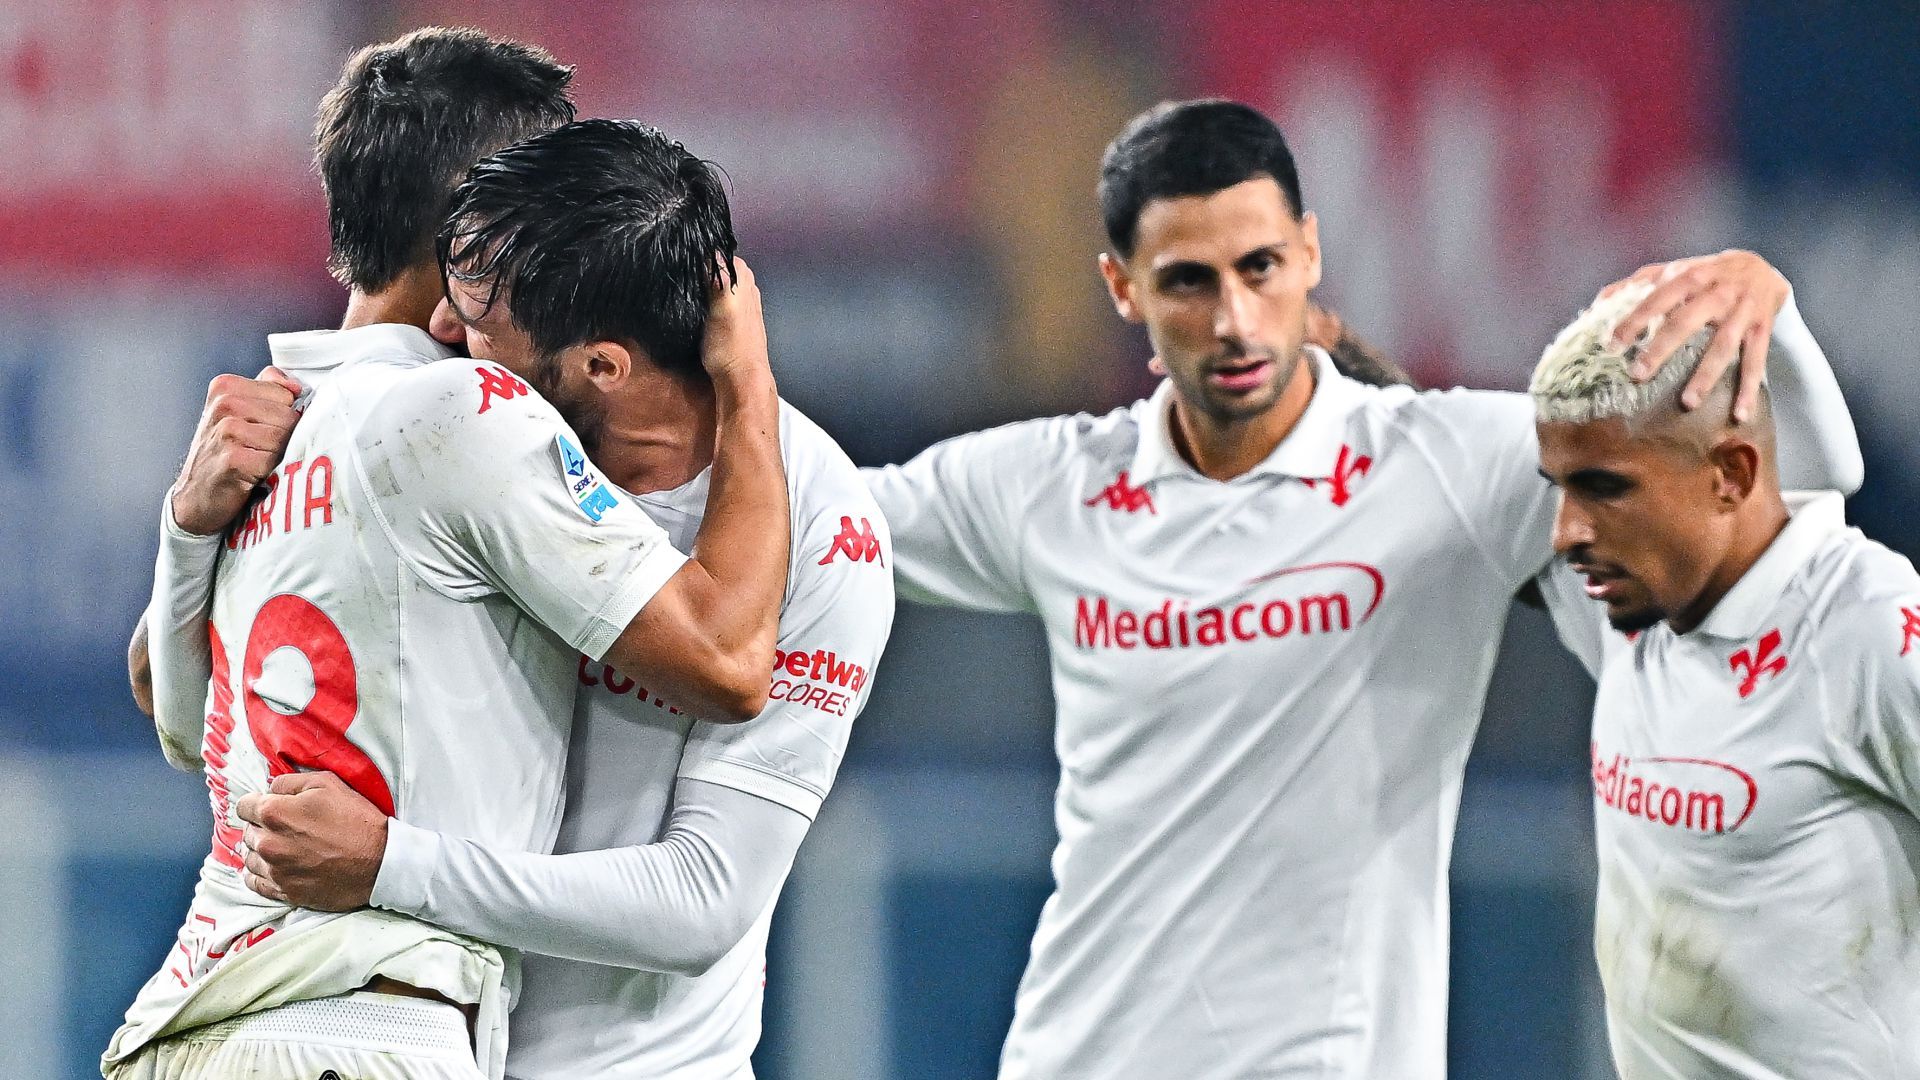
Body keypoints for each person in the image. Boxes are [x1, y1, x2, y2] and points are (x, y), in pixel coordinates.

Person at [860, 98, 1863, 1078]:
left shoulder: (1445, 467)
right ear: (1122, 289)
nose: (1234, 319)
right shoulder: (1054, 484)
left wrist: (1772, 317)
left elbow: (1791, 513)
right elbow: (812, 523)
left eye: (1259, 268)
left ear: (1309, 252)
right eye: (1188, 283)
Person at [106, 31, 790, 1080]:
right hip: (364, 1026)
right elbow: (727, 662)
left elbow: (177, 710)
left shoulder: (280, 422)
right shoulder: (464, 410)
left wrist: (187, 527)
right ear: (481, 226)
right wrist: (746, 383)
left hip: (194, 1026)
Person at [224, 118, 896, 1080]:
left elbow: (703, 899)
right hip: (411, 1049)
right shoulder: (446, 436)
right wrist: (196, 523)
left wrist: (389, 865)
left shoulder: (825, 529)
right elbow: (182, 702)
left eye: (481, 319)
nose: (448, 333)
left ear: (602, 367)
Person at [1534, 284, 1920, 1079]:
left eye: (1606, 489)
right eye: (1558, 487)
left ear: (1731, 477)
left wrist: (1778, 308)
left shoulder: (1864, 627)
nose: (1566, 532)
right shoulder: (1634, 610)